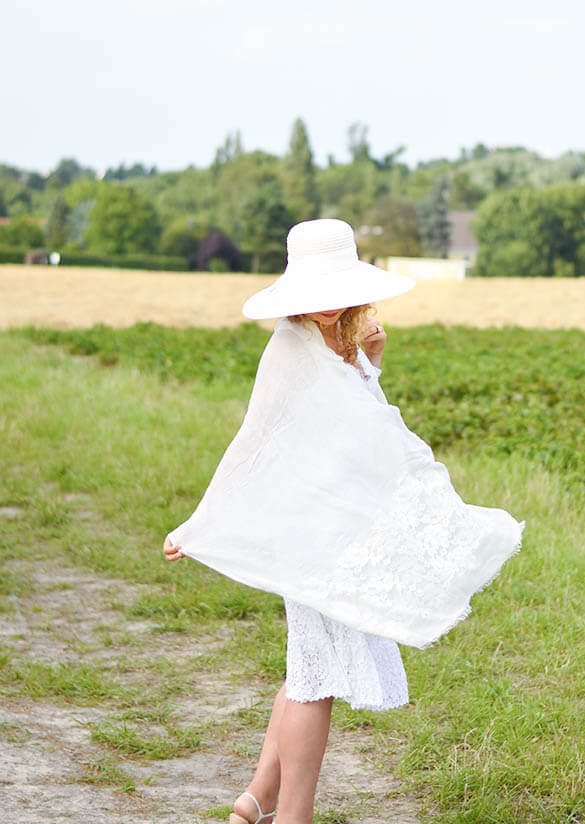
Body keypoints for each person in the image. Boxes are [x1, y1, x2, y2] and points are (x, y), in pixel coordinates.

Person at [163, 218, 524, 824]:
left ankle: (256, 801)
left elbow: (366, 431)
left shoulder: (345, 340)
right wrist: (200, 525)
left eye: (338, 292)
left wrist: (368, 365)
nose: (329, 306)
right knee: (314, 680)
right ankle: (293, 816)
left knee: (306, 668)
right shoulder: (290, 349)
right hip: (311, 534)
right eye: (318, 294)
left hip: (339, 530)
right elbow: (257, 444)